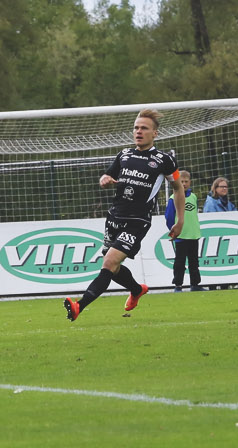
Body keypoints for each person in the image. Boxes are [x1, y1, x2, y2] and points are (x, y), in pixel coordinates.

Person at [64, 109, 184, 321]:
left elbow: (177, 188)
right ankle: (137, 290)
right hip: (114, 218)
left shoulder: (163, 160)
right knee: (114, 266)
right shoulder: (124, 155)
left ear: (155, 133)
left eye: (144, 128)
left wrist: (180, 219)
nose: (138, 131)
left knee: (109, 263)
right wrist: (104, 180)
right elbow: (108, 175)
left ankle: (79, 306)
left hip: (137, 221)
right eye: (136, 127)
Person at [163, 170, 201, 292]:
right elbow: (169, 216)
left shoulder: (194, 197)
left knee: (194, 261)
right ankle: (178, 285)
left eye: (186, 181)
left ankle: (195, 284)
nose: (184, 184)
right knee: (179, 262)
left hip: (193, 235)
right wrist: (173, 230)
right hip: (181, 235)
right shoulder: (173, 198)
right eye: (181, 181)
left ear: (190, 182)